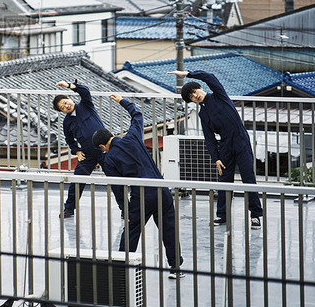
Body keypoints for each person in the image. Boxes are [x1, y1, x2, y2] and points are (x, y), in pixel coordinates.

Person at [93, 94, 184, 278]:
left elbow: (118, 187)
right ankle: (175, 268)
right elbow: (137, 115)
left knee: (131, 232)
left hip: (141, 196)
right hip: (162, 190)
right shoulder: (133, 136)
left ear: (103, 145)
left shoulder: (108, 159)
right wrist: (121, 101)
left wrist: (125, 209)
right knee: (169, 230)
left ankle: (122, 268)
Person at [169, 69, 263, 230]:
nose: (195, 95)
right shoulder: (203, 114)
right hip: (225, 145)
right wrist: (216, 158)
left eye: (194, 91)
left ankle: (255, 215)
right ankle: (222, 215)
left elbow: (210, 77)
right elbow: (210, 139)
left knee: (248, 177)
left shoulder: (219, 96)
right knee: (224, 180)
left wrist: (188, 74)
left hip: (241, 140)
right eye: (191, 96)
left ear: (200, 87)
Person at [53, 81, 106, 218]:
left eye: (65, 102)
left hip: (105, 150)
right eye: (62, 107)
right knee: (77, 180)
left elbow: (85, 91)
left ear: (70, 99)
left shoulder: (85, 106)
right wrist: (76, 151)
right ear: (62, 111)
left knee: (116, 179)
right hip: (87, 154)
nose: (66, 106)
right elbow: (69, 140)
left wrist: (70, 86)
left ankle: (126, 209)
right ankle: (69, 208)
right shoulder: (67, 123)